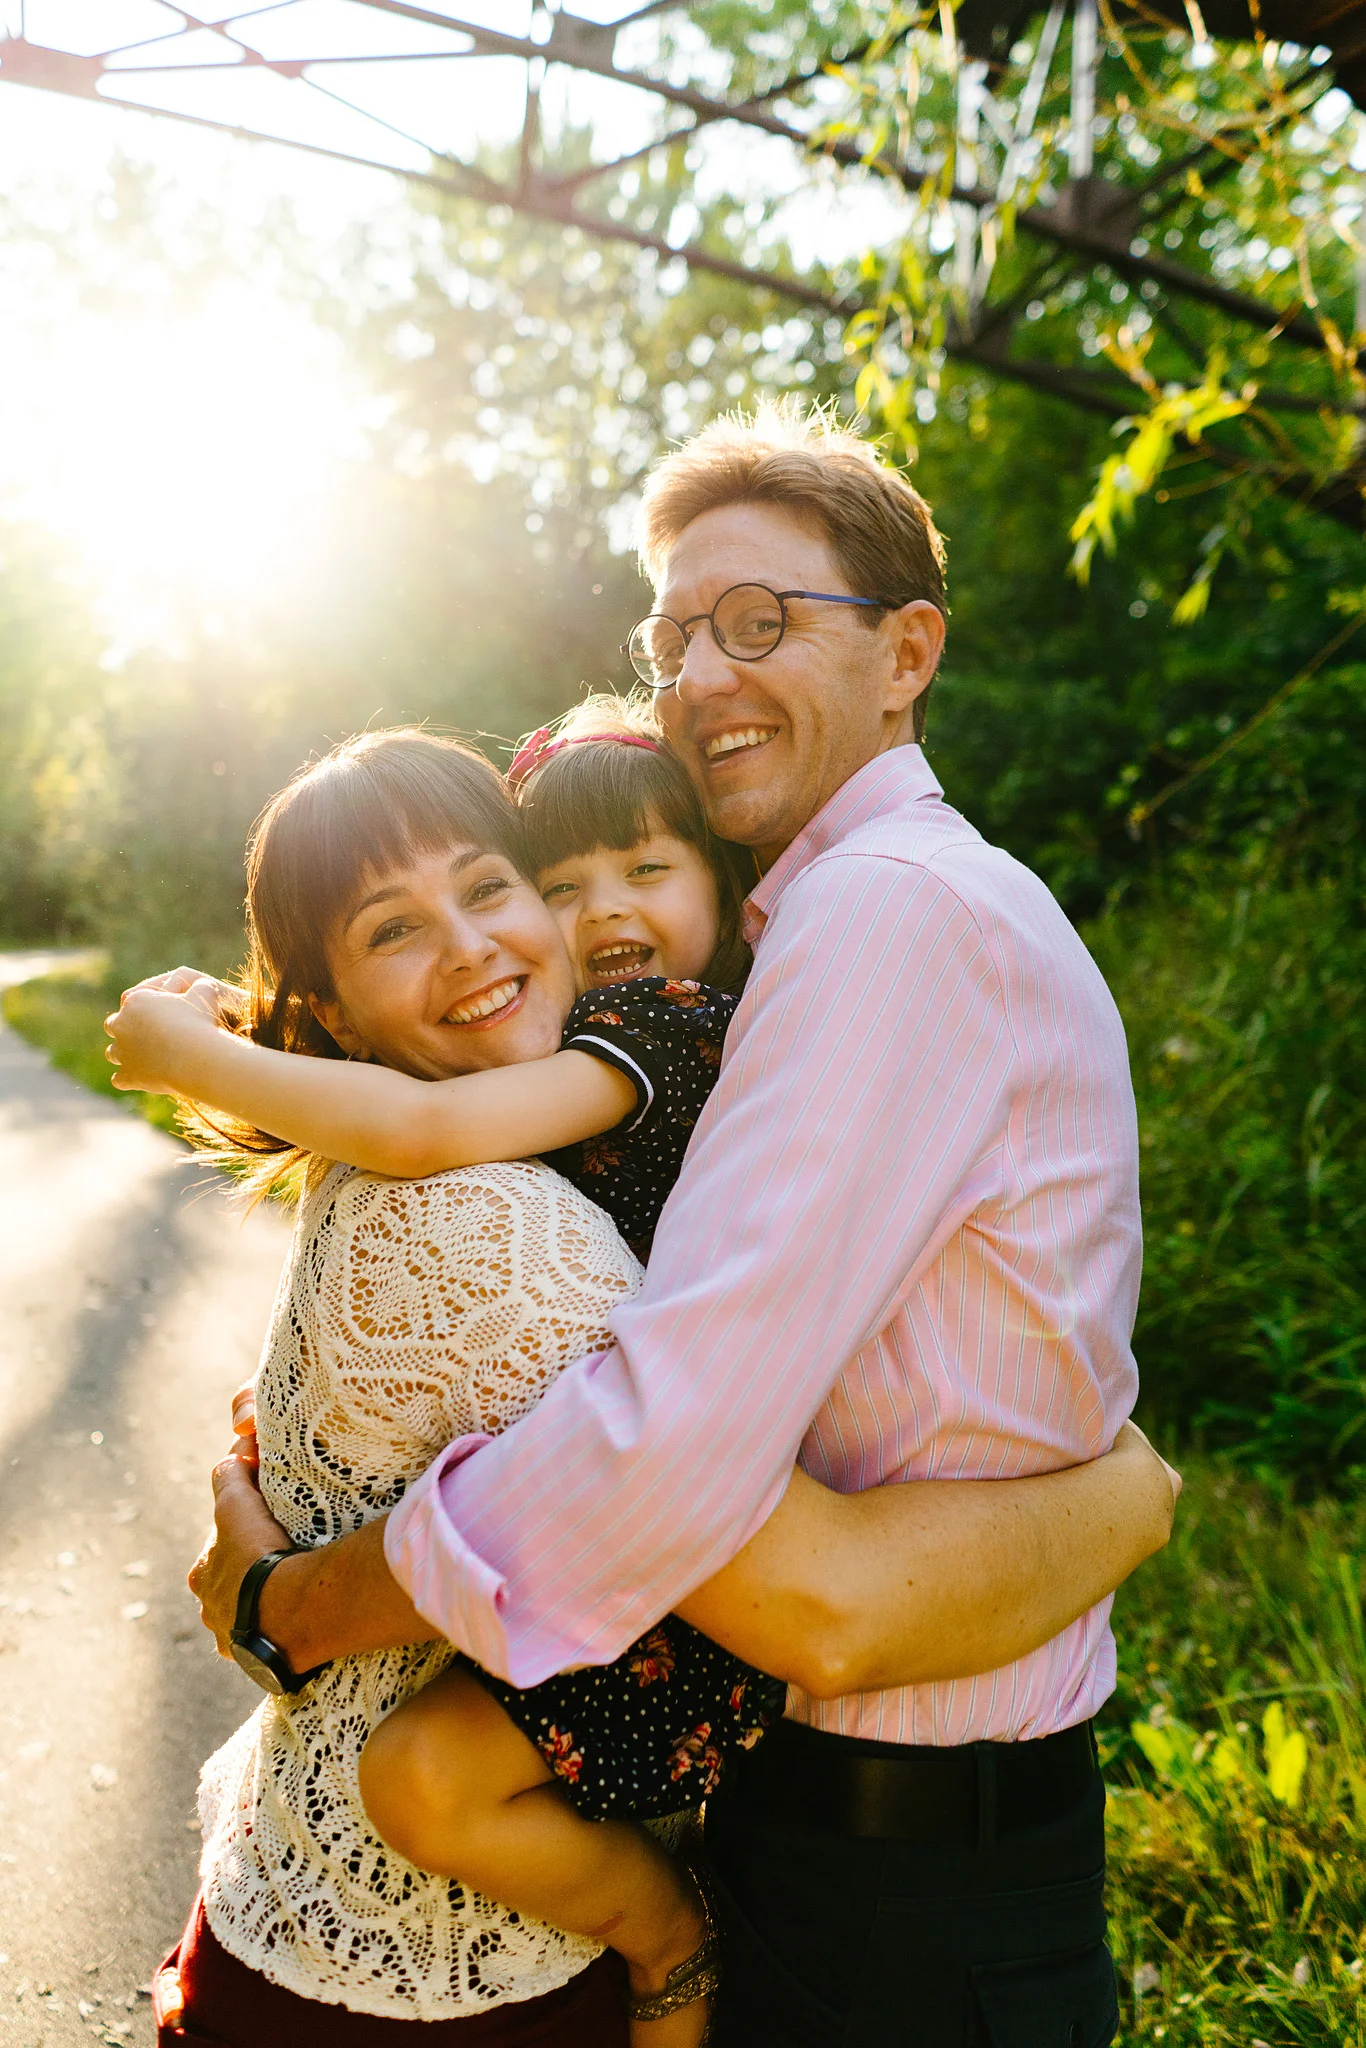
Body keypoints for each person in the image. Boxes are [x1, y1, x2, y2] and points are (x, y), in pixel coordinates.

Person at [155, 400, 1153, 2045]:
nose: (698, 674)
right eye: (674, 629)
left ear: (907, 652)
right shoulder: (803, 938)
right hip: (819, 1819)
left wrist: (291, 1606)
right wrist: (1117, 1494)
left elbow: (658, 1465)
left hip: (899, 1871)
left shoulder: (882, 912)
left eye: (758, 622)